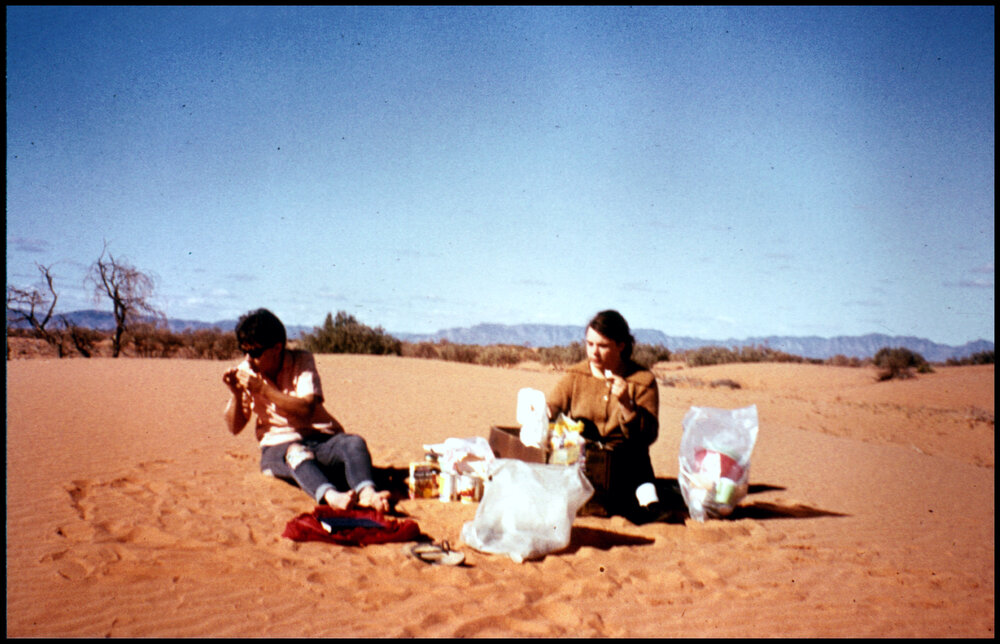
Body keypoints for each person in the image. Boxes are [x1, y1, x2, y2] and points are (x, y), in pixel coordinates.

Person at [222, 308, 390, 512]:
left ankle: (367, 493)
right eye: (244, 351)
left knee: (353, 443)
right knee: (295, 453)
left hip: (320, 440)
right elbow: (234, 427)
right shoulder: (246, 371)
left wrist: (263, 389)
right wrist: (236, 394)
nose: (249, 358)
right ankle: (331, 496)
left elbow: (306, 409)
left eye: (255, 352)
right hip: (279, 446)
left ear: (277, 348)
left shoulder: (301, 361)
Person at [546, 310, 666, 522]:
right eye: (589, 344)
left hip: (626, 467)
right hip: (582, 461)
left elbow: (647, 437)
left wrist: (627, 405)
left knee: (644, 512)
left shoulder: (642, 381)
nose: (594, 352)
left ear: (621, 346)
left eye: (602, 346)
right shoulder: (576, 375)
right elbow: (552, 406)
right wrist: (542, 411)